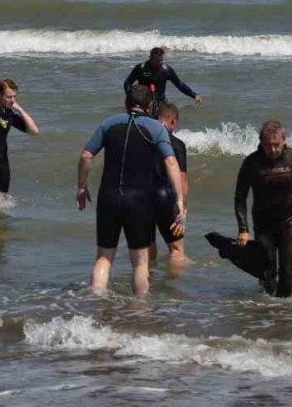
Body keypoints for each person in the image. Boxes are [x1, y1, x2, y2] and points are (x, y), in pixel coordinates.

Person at [76, 84, 184, 297]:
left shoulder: (109, 123)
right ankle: (139, 310)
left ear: (126, 103)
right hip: (139, 201)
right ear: (149, 106)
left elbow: (86, 156)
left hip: (108, 198)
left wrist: (81, 186)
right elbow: (171, 162)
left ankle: (97, 303)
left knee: (104, 257)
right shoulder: (155, 128)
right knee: (140, 263)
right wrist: (179, 200)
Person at [234, 120, 292, 297]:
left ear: (284, 140)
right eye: (268, 145)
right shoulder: (252, 162)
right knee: (268, 270)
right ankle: (266, 309)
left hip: (291, 221)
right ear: (261, 142)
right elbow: (240, 196)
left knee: (287, 270)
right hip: (263, 224)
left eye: (276, 145)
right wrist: (243, 229)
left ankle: (283, 309)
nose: (273, 150)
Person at [148, 102, 188, 267]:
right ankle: (173, 284)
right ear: (172, 121)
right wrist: (182, 208)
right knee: (176, 250)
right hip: (165, 198)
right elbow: (182, 179)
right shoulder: (177, 144)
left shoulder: (143, 138)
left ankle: (146, 281)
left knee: (147, 249)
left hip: (141, 197)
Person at [123, 47, 202, 106]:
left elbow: (179, 84)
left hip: (161, 102)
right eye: (157, 60)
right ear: (151, 58)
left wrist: (194, 95)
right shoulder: (141, 68)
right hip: (144, 103)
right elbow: (127, 82)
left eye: (161, 59)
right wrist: (130, 96)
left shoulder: (166, 70)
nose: (160, 62)